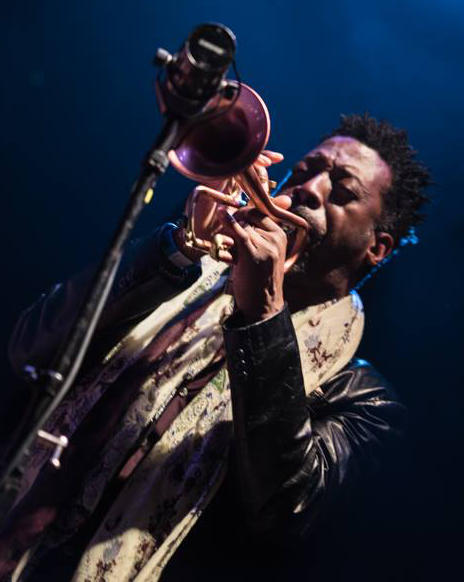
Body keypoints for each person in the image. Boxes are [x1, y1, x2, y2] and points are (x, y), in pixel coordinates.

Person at [0, 113, 430, 581]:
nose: (308, 189)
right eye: (304, 171)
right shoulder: (186, 271)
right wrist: (178, 249)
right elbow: (29, 346)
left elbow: (284, 510)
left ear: (377, 247)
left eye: (342, 192)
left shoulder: (368, 402)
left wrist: (262, 316)